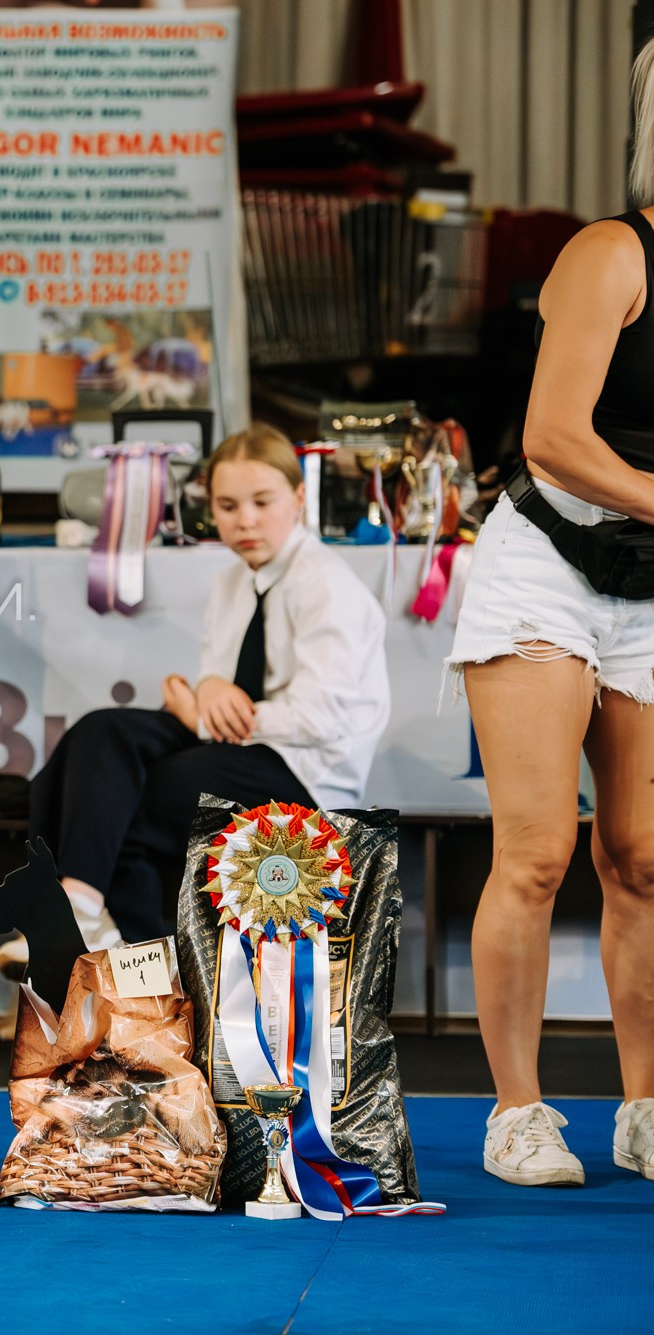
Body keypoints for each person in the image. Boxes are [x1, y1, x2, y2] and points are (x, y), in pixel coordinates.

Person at [443, 37, 654, 1190]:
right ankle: (515, 1113)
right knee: (534, 855)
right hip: (548, 565)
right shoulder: (611, 252)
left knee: (642, 859)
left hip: (650, 585)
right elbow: (551, 438)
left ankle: (642, 1108)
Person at [4, 424, 388, 968]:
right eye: (228, 506)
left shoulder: (326, 585)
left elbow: (321, 718)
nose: (245, 520)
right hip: (240, 740)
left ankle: (127, 958)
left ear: (298, 499)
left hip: (306, 765)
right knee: (98, 734)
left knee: (136, 796)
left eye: (262, 502)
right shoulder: (232, 582)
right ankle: (81, 906)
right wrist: (205, 690)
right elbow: (218, 683)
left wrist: (205, 716)